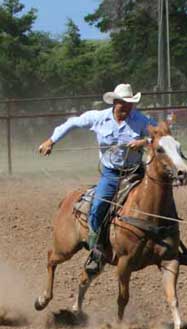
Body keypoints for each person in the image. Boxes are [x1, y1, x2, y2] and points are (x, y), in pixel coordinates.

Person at [38, 83, 157, 273]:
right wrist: (51, 141)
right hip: (112, 174)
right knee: (98, 207)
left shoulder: (141, 120)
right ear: (115, 103)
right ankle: (97, 250)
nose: (127, 107)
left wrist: (144, 141)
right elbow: (72, 123)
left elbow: (162, 135)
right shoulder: (99, 118)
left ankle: (174, 247)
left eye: (130, 104)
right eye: (123, 104)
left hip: (136, 172)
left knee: (160, 201)